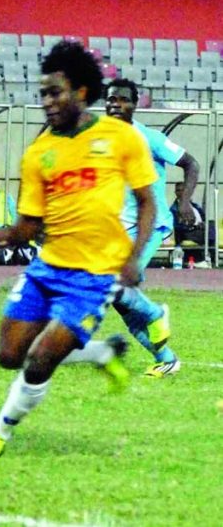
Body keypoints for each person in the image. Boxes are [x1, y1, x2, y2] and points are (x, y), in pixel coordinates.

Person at [0, 40, 158, 459]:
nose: (47, 102)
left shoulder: (120, 137)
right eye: (43, 95)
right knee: (8, 355)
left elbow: (146, 201)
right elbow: (30, 224)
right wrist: (4, 234)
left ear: (82, 91)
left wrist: (134, 257)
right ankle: (103, 351)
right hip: (47, 269)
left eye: (55, 92)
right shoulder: (40, 153)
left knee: (40, 361)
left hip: (95, 277)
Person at [103, 77, 199, 377]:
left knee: (115, 286)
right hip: (120, 229)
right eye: (110, 99)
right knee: (122, 303)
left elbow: (191, 163)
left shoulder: (151, 138)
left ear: (135, 104)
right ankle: (166, 359)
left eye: (122, 99)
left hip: (151, 225)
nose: (115, 104)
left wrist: (184, 203)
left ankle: (158, 314)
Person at [170, 181, 206, 248]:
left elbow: (204, 217)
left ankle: (211, 255)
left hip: (200, 231)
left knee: (211, 226)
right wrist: (195, 226)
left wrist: (203, 223)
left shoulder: (195, 206)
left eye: (183, 190)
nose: (181, 193)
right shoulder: (174, 209)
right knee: (209, 234)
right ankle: (211, 254)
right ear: (175, 193)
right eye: (178, 190)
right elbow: (177, 226)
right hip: (186, 233)